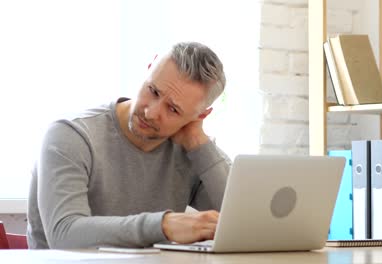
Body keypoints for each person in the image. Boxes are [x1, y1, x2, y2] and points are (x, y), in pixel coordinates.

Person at [26, 42, 231, 249]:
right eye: (153, 91)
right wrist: (162, 226)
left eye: (173, 110)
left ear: (200, 115)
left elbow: (243, 221)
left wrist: (198, 142)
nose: (151, 112)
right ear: (150, 67)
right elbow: (64, 235)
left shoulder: (192, 151)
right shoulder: (71, 135)